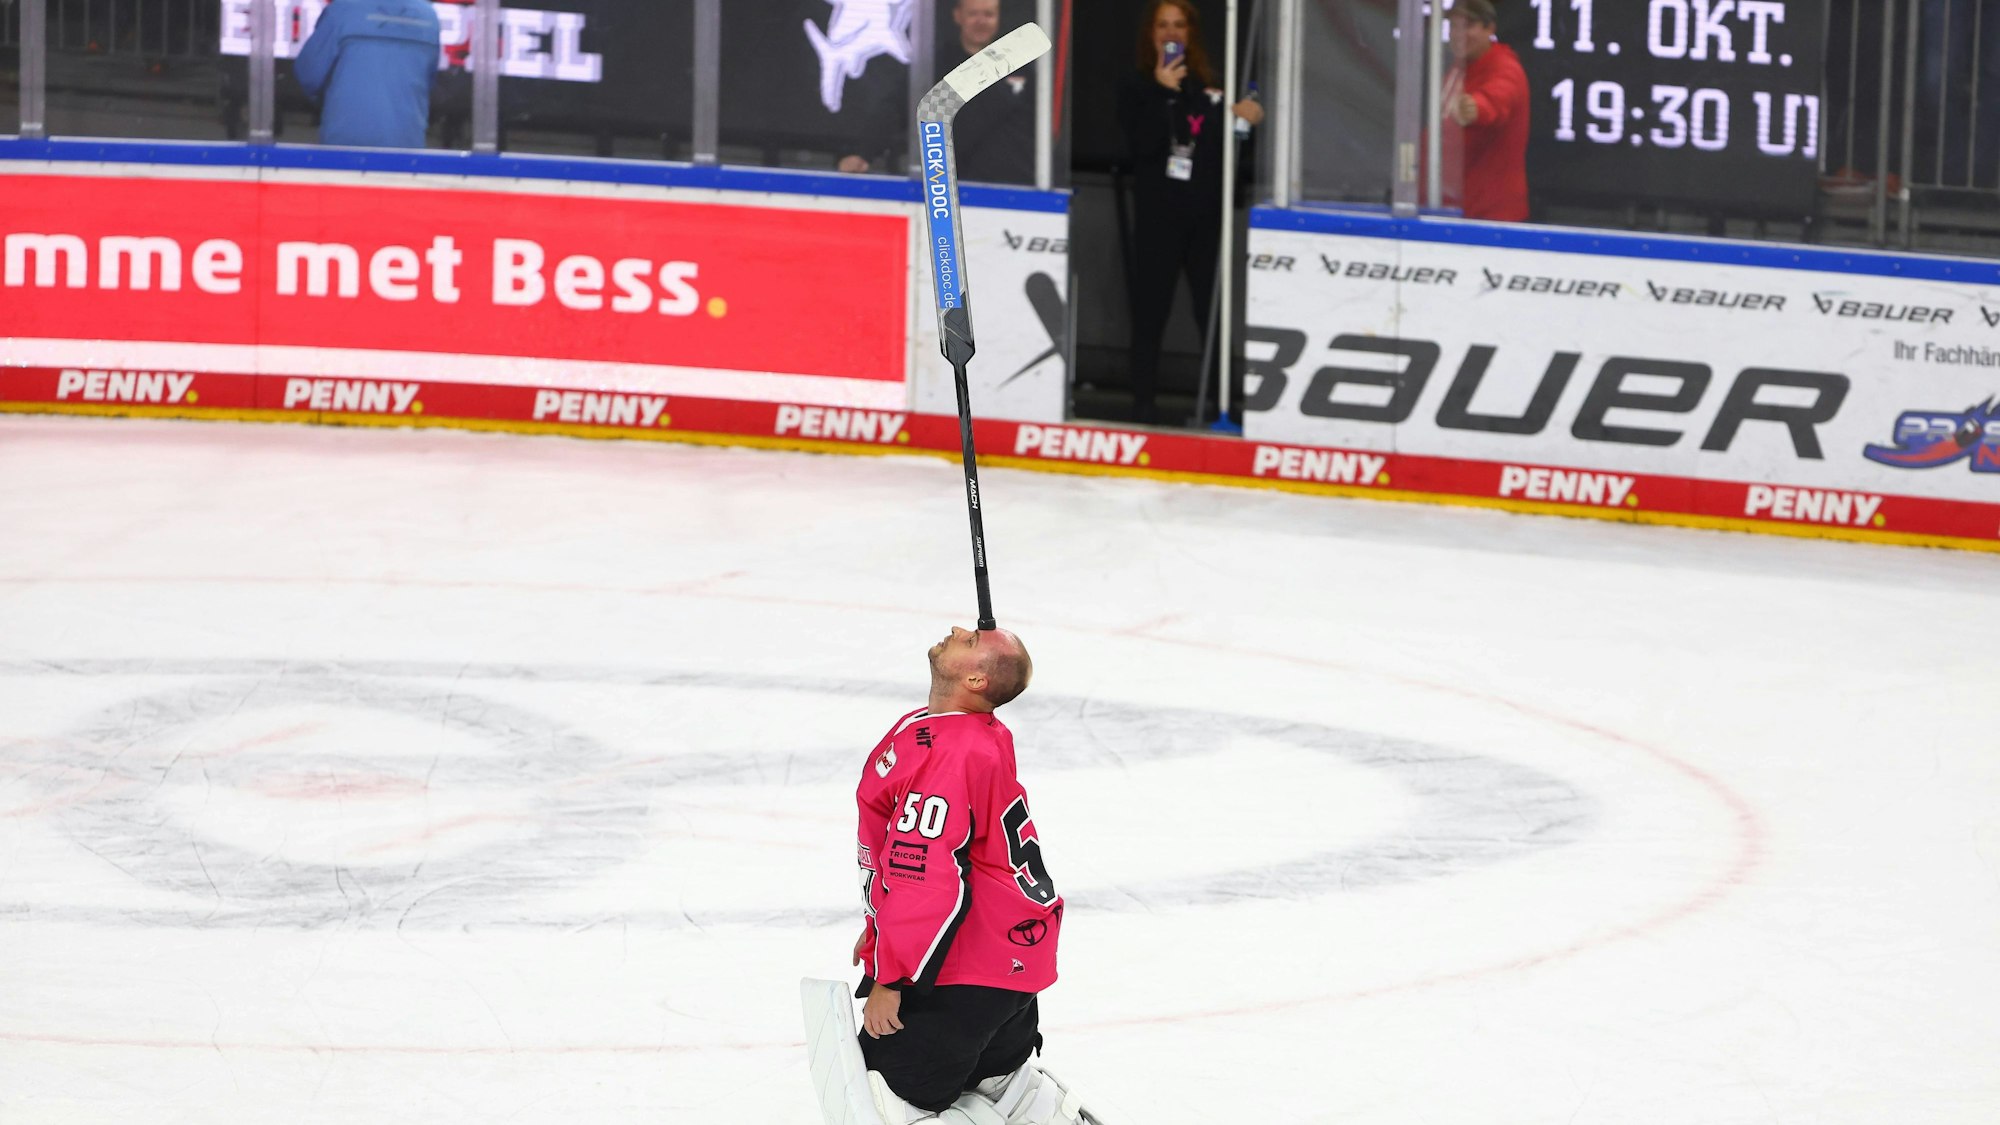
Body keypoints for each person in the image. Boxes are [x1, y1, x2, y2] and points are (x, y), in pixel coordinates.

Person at [848, 625, 1082, 1123]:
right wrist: (879, 930)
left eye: (971, 641)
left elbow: (926, 877)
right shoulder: (964, 730)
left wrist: (892, 974)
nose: (957, 629)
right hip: (1011, 962)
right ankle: (1018, 1100)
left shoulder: (952, 755)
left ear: (975, 679)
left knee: (884, 1095)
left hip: (963, 975)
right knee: (995, 1086)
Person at [1117, 0, 1262, 425]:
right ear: (1150, 33)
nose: (1170, 32)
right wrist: (1163, 91)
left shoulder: (1208, 87)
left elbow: (1226, 155)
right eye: (1162, 25)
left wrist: (1245, 123)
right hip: (1158, 219)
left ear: (1190, 32)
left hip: (1205, 218)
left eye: (1179, 25)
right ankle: (1143, 404)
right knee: (1150, 313)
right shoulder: (1137, 85)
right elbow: (1140, 147)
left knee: (1211, 312)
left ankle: (1221, 402)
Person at [294, 0, 442, 149]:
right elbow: (429, 79)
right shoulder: (429, 16)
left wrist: (326, 102)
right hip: (407, 142)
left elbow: (309, 73)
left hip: (344, 140)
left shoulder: (341, 10)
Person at [1441, 0, 1529, 221]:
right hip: (1455, 210)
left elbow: (1497, 98)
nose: (1459, 34)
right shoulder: (1458, 68)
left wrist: (1476, 107)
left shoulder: (1504, 66)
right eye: (1454, 26)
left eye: (1468, 26)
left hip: (1491, 219)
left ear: (1490, 28)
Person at [943, 0, 1037, 185]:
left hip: (1013, 185)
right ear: (958, 16)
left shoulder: (1018, 65)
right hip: (954, 184)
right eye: (973, 14)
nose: (981, 21)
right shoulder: (939, 65)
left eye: (989, 14)